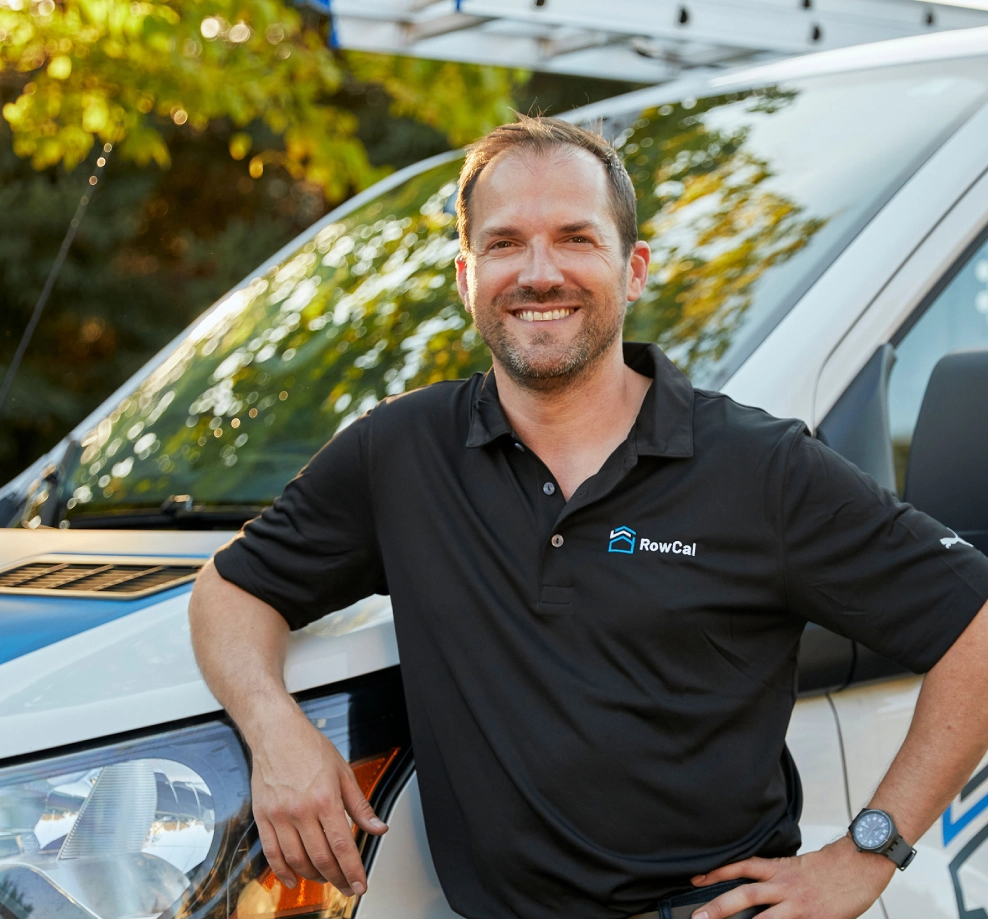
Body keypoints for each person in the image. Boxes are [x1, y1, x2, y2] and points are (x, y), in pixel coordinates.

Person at [188, 115, 988, 919]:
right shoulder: (399, 452)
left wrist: (869, 851)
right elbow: (230, 591)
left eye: (575, 238)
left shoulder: (759, 466)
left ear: (633, 269)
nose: (540, 275)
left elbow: (978, 623)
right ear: (468, 276)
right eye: (505, 244)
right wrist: (276, 731)